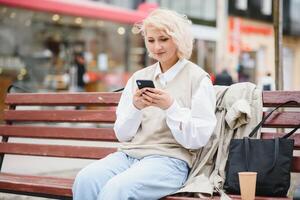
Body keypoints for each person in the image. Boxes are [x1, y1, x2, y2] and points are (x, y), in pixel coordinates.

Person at [72, 8, 217, 200]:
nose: (157, 47)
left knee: (118, 189)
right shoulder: (139, 78)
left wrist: (171, 107)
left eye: (163, 39)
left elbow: (197, 139)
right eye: (151, 40)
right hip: (129, 156)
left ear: (178, 38)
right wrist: (135, 108)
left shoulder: (198, 79)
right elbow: (123, 135)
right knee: (85, 179)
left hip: (170, 160)